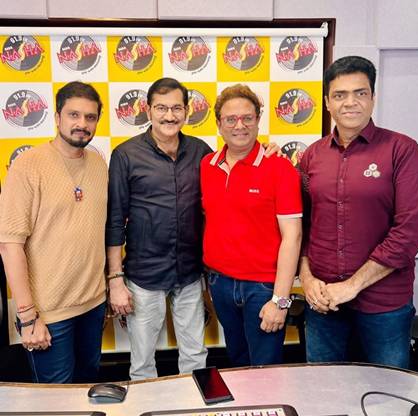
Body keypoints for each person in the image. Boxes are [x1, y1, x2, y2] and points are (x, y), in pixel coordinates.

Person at [299, 56, 418, 369]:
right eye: (340, 95)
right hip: (323, 301)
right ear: (327, 102)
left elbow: (410, 231)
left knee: (388, 390)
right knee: (323, 388)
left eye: (360, 93)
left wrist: (351, 286)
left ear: (373, 98)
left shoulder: (402, 150)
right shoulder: (312, 156)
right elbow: (304, 227)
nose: (350, 102)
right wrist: (307, 278)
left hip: (383, 305)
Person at [0, 81, 108, 383]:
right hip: (48, 314)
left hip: (93, 305)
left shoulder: (98, 164)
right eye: (74, 115)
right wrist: (28, 316)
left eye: (90, 117)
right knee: (56, 399)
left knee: (88, 389)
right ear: (58, 117)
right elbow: (9, 245)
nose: (82, 124)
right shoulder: (28, 165)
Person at [106, 78, 210, 380]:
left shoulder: (201, 151)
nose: (169, 116)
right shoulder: (126, 155)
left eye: (176, 108)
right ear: (148, 110)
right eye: (161, 108)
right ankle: (146, 410)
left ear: (187, 111)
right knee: (142, 362)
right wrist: (115, 279)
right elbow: (115, 221)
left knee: (195, 355)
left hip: (190, 273)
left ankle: (194, 408)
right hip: (144, 274)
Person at [200, 84, 303, 367]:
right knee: (237, 364)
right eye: (231, 119)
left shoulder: (279, 168)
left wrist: (280, 300)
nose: (239, 125)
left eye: (247, 118)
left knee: (265, 370)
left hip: (263, 288)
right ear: (219, 124)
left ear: (258, 120)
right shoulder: (207, 165)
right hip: (220, 283)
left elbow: (293, 237)